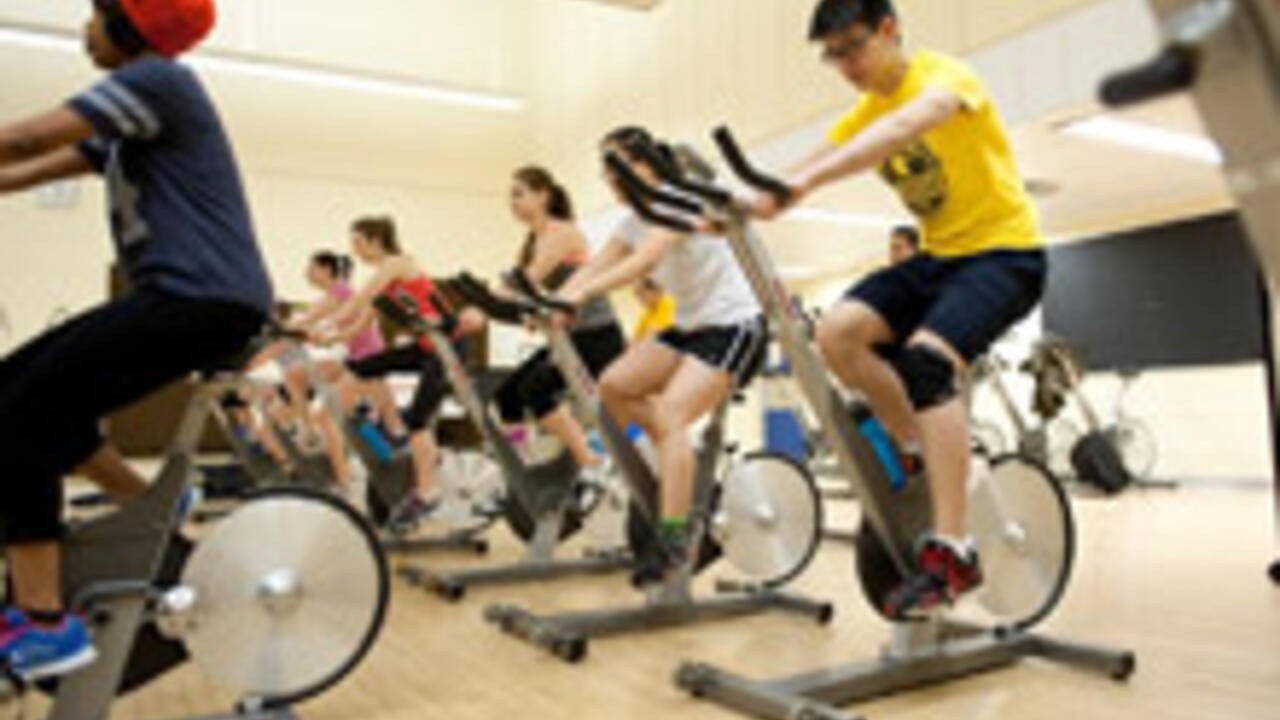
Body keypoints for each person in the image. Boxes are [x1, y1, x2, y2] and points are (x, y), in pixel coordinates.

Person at [0, 0, 273, 680]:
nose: (84, 29)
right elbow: (19, 172)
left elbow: (26, 140)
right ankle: (146, 499)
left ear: (130, 25)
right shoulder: (126, 129)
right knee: (17, 394)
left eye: (95, 14)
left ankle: (43, 623)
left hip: (202, 300)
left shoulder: (160, 81)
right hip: (185, 299)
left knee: (19, 417)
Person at [753, 0, 1047, 619]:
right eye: (832, 56)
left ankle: (955, 551)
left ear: (889, 29)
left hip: (1005, 257)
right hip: (941, 261)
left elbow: (898, 130)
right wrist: (745, 196)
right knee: (837, 335)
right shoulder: (865, 109)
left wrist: (804, 186)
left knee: (925, 365)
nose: (845, 65)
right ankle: (919, 448)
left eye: (852, 47)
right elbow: (804, 161)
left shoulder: (946, 77)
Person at [558, 128, 766, 584]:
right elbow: (598, 264)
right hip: (690, 328)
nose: (611, 180)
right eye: (607, 172)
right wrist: (555, 299)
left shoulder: (676, 199)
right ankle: (682, 469)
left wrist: (583, 295)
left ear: (647, 166)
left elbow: (641, 263)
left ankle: (677, 538)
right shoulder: (633, 217)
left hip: (735, 326)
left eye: (619, 168)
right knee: (612, 387)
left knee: (671, 414)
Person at [312, 216, 484, 527]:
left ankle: (428, 492)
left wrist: (327, 324)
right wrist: (334, 336)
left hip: (448, 347)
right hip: (425, 346)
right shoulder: (387, 278)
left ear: (376, 240)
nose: (355, 250)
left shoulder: (398, 264)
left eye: (359, 242)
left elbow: (362, 297)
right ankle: (405, 443)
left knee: (417, 419)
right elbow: (364, 317)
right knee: (367, 365)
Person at [491, 166, 625, 476]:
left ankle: (588, 459)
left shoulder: (561, 232)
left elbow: (527, 280)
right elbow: (524, 291)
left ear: (543, 195)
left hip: (596, 336)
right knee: (506, 398)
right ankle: (523, 463)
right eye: (510, 196)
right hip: (568, 338)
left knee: (535, 392)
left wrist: (489, 301)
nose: (512, 202)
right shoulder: (534, 238)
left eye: (518, 194)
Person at [631, 277, 677, 341]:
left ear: (653, 290)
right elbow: (635, 337)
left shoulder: (667, 302)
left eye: (641, 292)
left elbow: (660, 331)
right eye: (637, 294)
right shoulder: (647, 313)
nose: (639, 298)